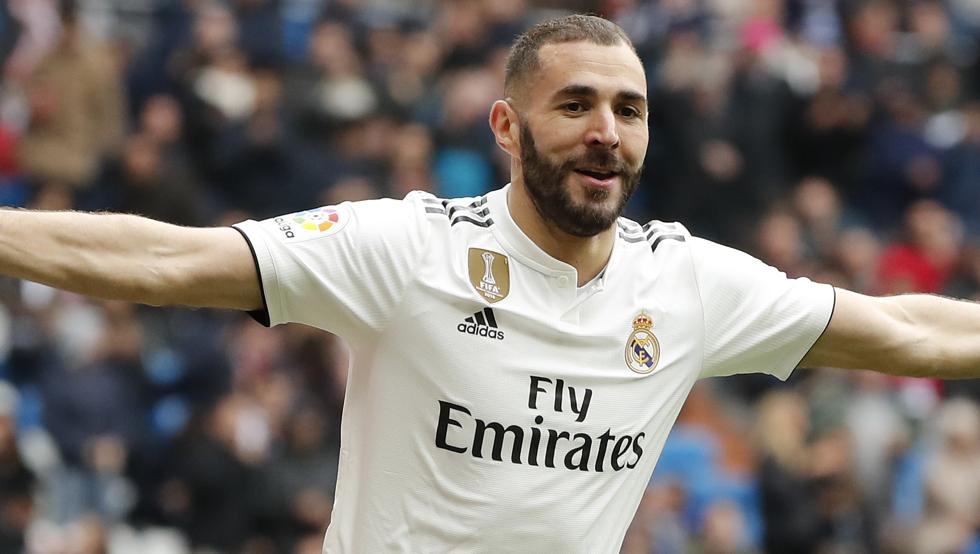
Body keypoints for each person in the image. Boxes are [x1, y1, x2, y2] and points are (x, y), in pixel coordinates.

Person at [0, 14, 978, 553]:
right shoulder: (406, 247)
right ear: (506, 130)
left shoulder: (685, 280)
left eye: (628, 108)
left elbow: (898, 328)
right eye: (575, 103)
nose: (607, 128)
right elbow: (168, 258)